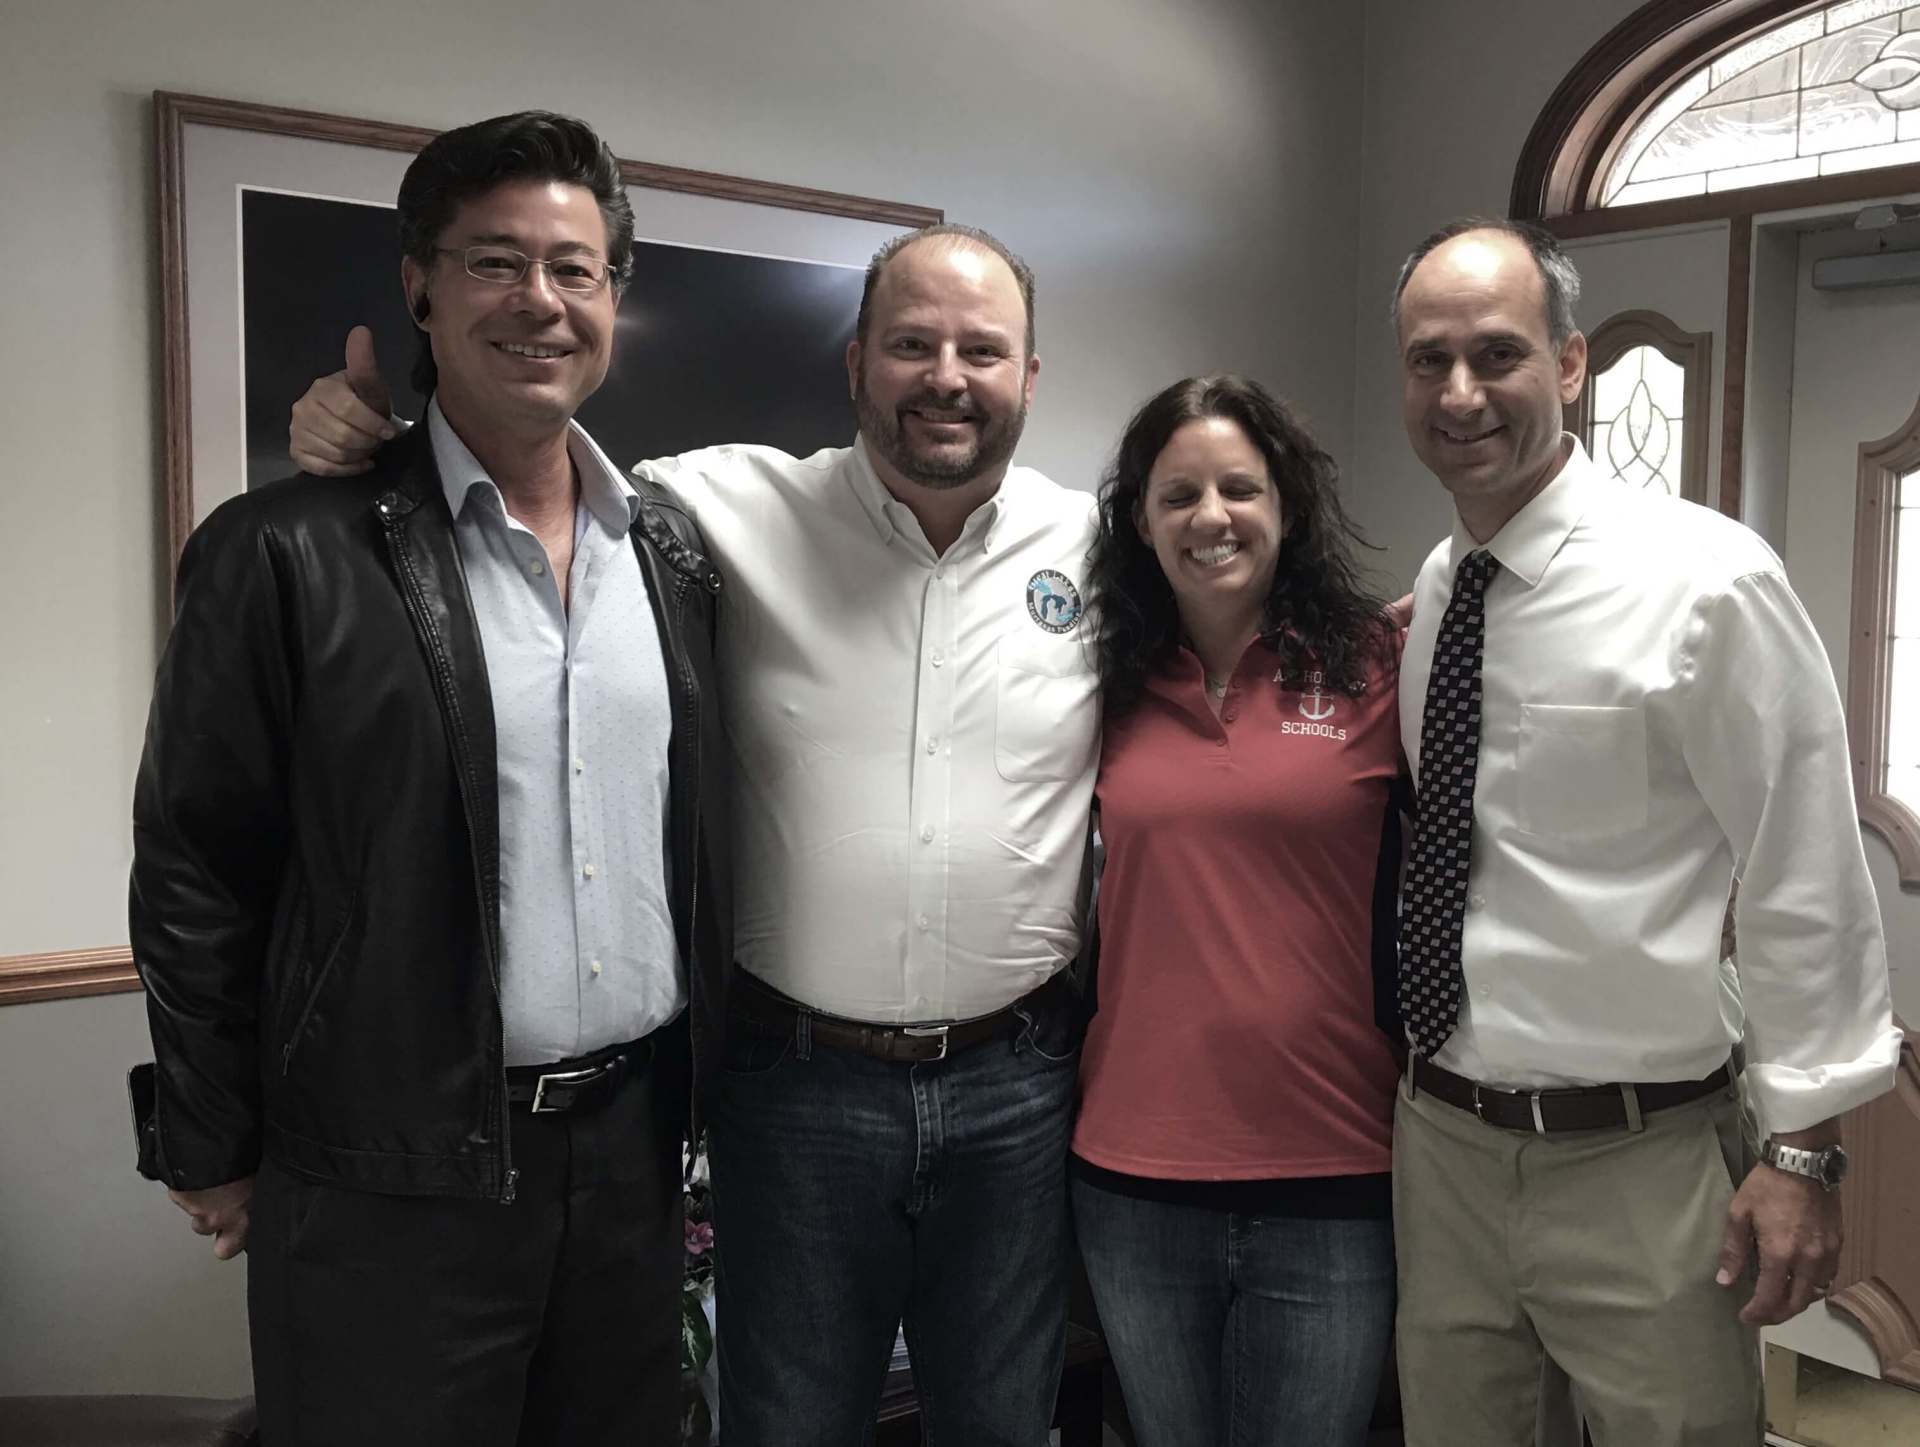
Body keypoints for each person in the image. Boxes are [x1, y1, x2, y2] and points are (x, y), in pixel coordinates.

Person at [289, 223, 1098, 1447]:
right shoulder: (711, 506)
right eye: (911, 343)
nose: (947, 375)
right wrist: (377, 443)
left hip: (1021, 1087)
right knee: (787, 1420)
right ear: (855, 362)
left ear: (1030, 376)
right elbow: (522, 472)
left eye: (983, 350)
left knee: (1001, 1420)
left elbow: (1255, 585)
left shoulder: (1099, 545)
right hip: (800, 1088)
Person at [130, 111, 730, 1447]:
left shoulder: (676, 556)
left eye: (576, 268)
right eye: (494, 261)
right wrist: (208, 1137)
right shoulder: (284, 549)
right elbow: (194, 859)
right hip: (383, 1175)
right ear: (419, 285)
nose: (540, 300)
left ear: (616, 296)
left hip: (630, 1163)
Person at [1387, 217, 1902, 1447]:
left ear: (1569, 365)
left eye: (1497, 354)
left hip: (1643, 1161)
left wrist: (1807, 1154)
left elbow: (1806, 867)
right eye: (1426, 360)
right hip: (1441, 1142)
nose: (1459, 393)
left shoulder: (1706, 581)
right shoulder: (1443, 590)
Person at [1075, 373, 1404, 1445]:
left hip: (1336, 1164)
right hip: (1134, 1171)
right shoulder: (1092, 682)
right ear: (1141, 520)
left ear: (1287, 503)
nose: (1209, 518)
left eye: (1238, 488)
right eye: (1177, 495)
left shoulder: (1379, 664)